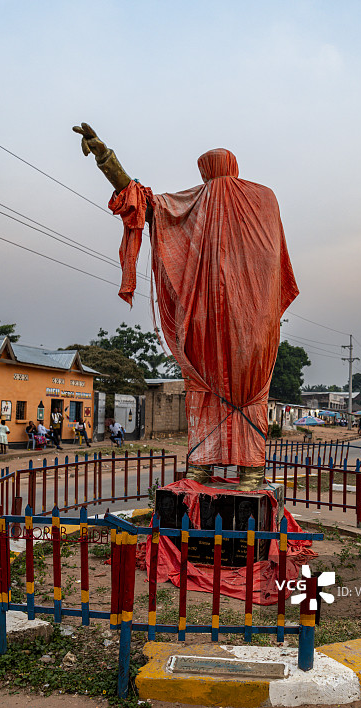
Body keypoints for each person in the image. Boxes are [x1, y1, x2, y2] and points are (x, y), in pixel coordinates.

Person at [73, 124, 298, 490]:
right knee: (246, 387)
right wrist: (262, 309)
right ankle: (250, 472)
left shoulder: (193, 201)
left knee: (204, 384)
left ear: (203, 170)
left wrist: (105, 158)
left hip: (205, 321)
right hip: (253, 322)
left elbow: (140, 204)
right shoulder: (264, 198)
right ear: (235, 166)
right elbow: (276, 266)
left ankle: (201, 469)